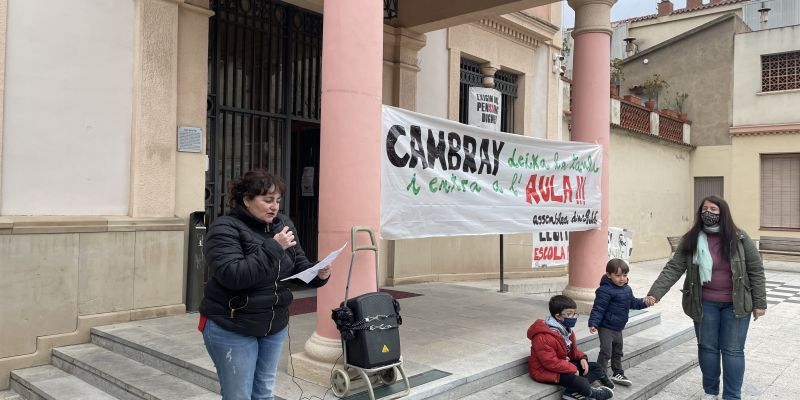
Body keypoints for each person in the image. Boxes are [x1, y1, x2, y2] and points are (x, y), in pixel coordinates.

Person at [199, 169, 331, 400]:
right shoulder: (224, 229)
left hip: (273, 325)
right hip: (232, 325)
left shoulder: (283, 225)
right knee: (238, 395)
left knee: (264, 393)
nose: (274, 207)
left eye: (278, 201)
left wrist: (317, 273)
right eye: (267, 200)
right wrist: (273, 247)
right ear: (246, 200)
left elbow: (297, 267)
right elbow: (234, 275)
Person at [645, 195, 766, 400]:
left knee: (733, 351)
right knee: (708, 348)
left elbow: (756, 270)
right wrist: (655, 293)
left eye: (713, 209)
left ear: (723, 212)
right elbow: (674, 268)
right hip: (704, 303)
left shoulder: (740, 238)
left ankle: (732, 396)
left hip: (736, 305)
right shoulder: (692, 238)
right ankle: (711, 392)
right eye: (704, 209)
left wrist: (760, 303)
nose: (708, 213)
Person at [528, 295, 615, 400]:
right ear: (558, 316)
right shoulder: (544, 336)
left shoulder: (566, 330)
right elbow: (550, 362)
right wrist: (572, 368)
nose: (574, 317)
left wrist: (581, 358)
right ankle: (590, 393)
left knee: (596, 367)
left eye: (574, 313)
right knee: (581, 382)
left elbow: (571, 351)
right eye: (569, 314)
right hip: (545, 371)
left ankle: (570, 393)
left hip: (563, 365)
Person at [587, 258, 650, 387]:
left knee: (618, 351)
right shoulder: (604, 290)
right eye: (618, 275)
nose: (622, 278)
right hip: (606, 327)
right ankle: (600, 375)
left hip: (618, 327)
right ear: (609, 275)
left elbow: (633, 303)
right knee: (606, 351)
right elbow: (598, 308)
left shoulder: (627, 289)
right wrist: (593, 322)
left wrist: (644, 302)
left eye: (625, 275)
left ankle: (617, 373)